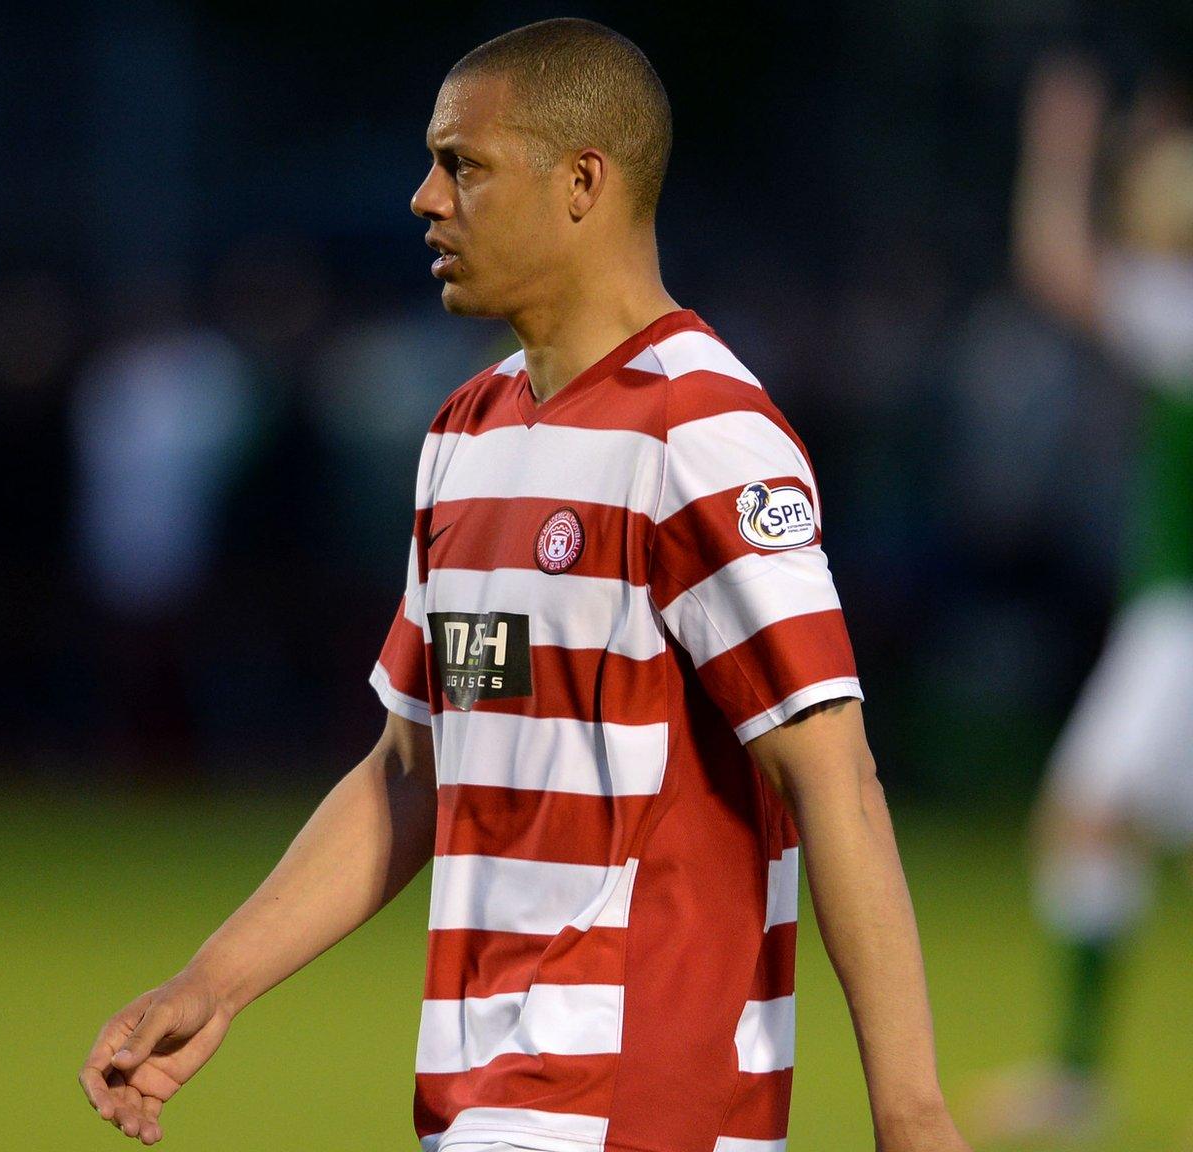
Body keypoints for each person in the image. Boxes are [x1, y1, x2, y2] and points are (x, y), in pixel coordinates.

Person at [78, 19, 971, 1152]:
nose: (423, 198)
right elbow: (411, 767)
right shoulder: (466, 431)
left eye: (462, 164)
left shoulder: (701, 435)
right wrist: (214, 981)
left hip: (638, 1097)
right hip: (480, 1094)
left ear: (581, 183)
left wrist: (909, 1111)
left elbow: (831, 777)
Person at [970, 56, 1193, 1145]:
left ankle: (1072, 1077)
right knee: (1098, 826)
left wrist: (1058, 147)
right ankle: (1075, 1076)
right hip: (1168, 619)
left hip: (1182, 621)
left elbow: (1055, 264)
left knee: (1084, 818)